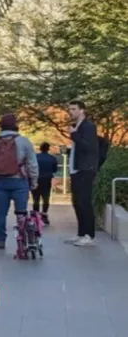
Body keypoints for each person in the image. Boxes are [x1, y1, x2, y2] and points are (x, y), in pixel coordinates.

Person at [0, 114, 38, 251]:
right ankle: (22, 239)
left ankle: (0, 240)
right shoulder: (24, 141)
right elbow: (32, 164)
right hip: (19, 181)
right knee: (21, 213)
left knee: (1, 213)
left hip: (1, 182)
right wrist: (34, 181)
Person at [67, 100, 98, 246]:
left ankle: (89, 236)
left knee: (85, 202)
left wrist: (74, 136)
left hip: (85, 169)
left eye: (73, 109)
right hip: (75, 169)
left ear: (82, 110)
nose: (71, 112)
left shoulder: (89, 126)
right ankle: (81, 234)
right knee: (77, 202)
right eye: (70, 109)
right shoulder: (77, 127)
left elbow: (89, 146)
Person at [33, 142, 59, 226]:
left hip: (36, 179)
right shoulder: (52, 158)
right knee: (46, 198)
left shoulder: (35, 157)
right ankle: (44, 214)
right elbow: (55, 170)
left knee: (36, 198)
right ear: (48, 149)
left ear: (40, 148)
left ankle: (35, 216)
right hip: (47, 179)